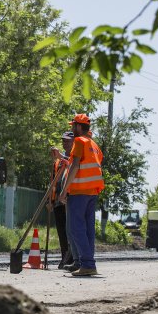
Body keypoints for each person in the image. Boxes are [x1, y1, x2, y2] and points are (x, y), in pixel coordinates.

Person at [60, 114, 104, 277]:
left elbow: (75, 166)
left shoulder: (79, 141)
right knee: (87, 230)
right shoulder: (94, 145)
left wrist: (64, 190)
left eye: (73, 126)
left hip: (79, 191)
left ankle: (87, 264)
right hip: (92, 192)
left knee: (75, 228)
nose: (72, 129)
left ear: (78, 127)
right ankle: (86, 263)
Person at [49, 131, 76, 270]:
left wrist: (61, 156)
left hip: (69, 199)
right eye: (63, 141)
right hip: (58, 201)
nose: (65, 143)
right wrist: (50, 200)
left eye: (68, 141)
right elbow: (53, 180)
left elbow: (72, 162)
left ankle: (71, 258)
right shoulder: (59, 161)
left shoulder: (74, 157)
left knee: (70, 230)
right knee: (61, 232)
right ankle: (64, 257)